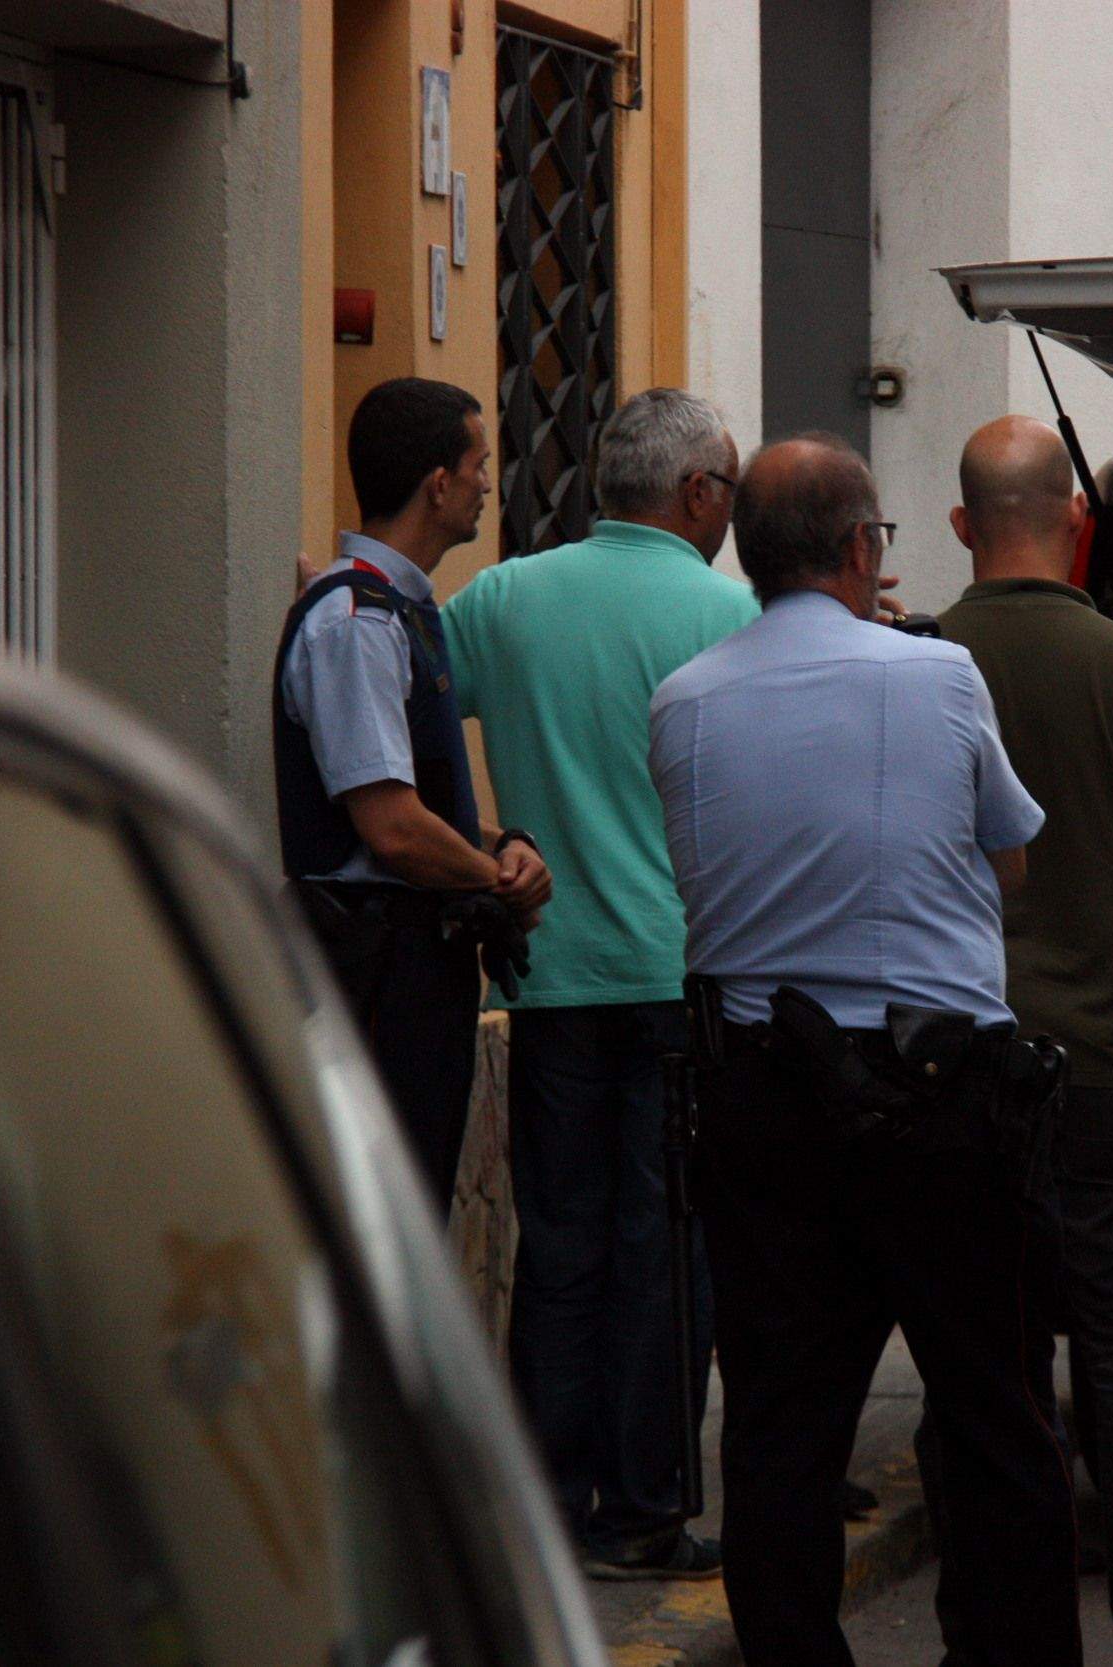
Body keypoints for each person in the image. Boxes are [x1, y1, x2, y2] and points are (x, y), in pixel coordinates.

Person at [649, 435, 1080, 1667]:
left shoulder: (682, 702)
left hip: (761, 1106)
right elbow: (1009, 855)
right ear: (860, 548)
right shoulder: (937, 680)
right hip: (940, 1098)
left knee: (782, 1426)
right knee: (994, 1411)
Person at [440, 387, 757, 1581]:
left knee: (558, 1244)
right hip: (681, 977)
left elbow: (416, 704)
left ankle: (544, 1503)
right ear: (693, 494)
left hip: (548, 972)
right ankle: (641, 1507)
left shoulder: (509, 596)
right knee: (666, 1246)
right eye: (725, 488)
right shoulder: (729, 611)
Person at [937, 415, 1113, 1652]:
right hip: (1112, 1063)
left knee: (974, 1342)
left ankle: (988, 1596)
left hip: (958, 1064)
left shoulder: (923, 659)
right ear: (1078, 520)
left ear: (957, 527)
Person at [273, 376, 553, 1207]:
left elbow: (422, 807)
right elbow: (392, 830)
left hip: (407, 965)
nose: (485, 485)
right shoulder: (357, 620)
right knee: (380, 1223)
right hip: (375, 972)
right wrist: (495, 875)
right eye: (479, 464)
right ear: (438, 483)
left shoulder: (396, 610)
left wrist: (502, 849)